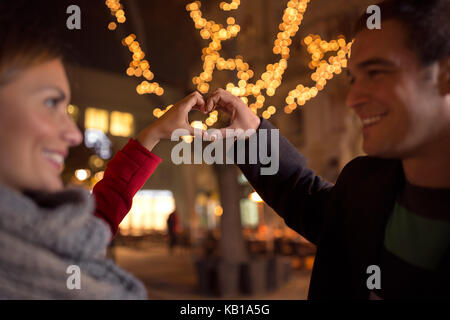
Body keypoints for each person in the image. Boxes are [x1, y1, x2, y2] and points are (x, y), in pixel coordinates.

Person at [203, 0, 450, 299]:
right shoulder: (365, 183)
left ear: (444, 75)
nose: (353, 98)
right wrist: (252, 134)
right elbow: (306, 197)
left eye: (375, 73)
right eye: (353, 79)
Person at [0, 4, 207, 299]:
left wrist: (154, 134)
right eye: (50, 103)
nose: (73, 134)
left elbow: (96, 221)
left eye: (67, 108)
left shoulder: (50, 234)